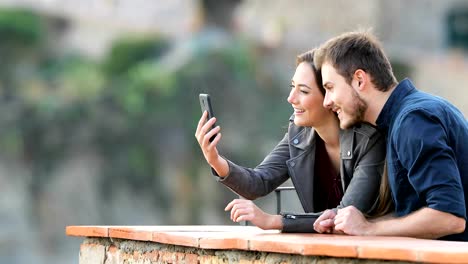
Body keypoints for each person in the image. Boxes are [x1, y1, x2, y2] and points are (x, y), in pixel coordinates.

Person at [195, 49, 390, 232]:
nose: (291, 98)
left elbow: (346, 215)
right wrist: (215, 160)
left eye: (303, 91)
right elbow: (259, 182)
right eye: (292, 87)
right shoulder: (299, 134)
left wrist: (274, 221)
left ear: (329, 96)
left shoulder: (368, 140)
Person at [312, 30, 468, 241]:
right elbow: (417, 213)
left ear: (359, 79)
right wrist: (348, 221)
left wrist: (368, 229)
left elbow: (450, 217)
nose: (326, 102)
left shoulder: (413, 121)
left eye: (330, 88)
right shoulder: (407, 116)